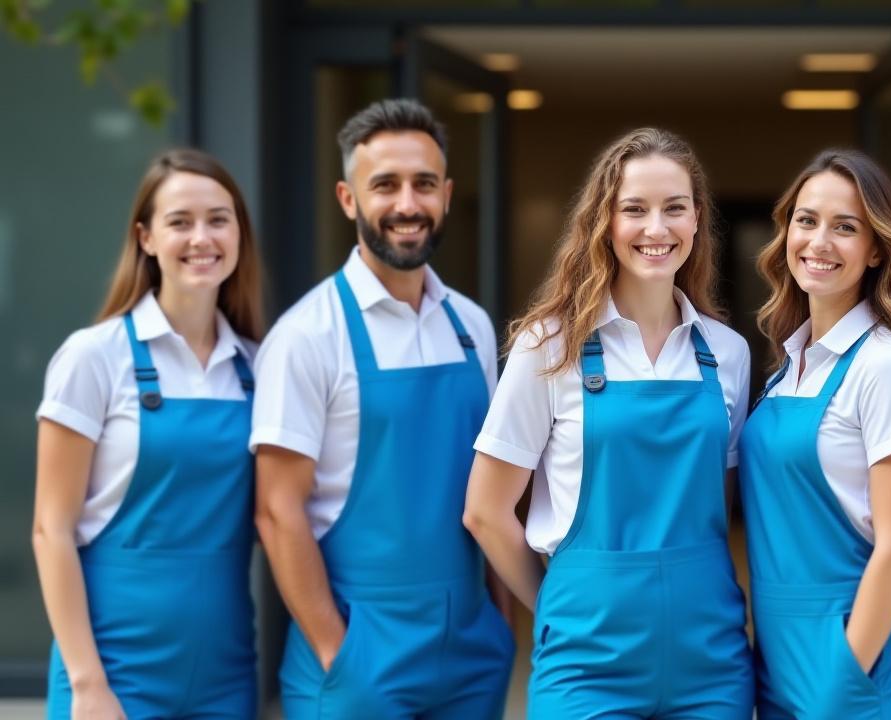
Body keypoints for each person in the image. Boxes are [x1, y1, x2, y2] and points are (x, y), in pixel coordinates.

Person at [464, 127, 754, 718]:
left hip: (711, 662)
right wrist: (558, 607)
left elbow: (714, 512)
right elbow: (485, 512)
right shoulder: (549, 348)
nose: (656, 228)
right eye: (635, 210)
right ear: (605, 222)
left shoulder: (727, 353)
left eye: (674, 208)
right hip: (585, 664)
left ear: (697, 220)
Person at [252, 98, 513, 719]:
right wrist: (334, 652)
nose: (406, 204)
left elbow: (497, 489)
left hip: (472, 656)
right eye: (385, 185)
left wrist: (501, 628)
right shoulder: (308, 335)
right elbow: (276, 509)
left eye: (424, 184)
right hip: (360, 656)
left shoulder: (471, 326)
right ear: (348, 199)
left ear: (446, 195)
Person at [34, 149, 265, 719]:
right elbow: (49, 529)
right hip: (114, 673)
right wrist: (88, 684)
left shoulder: (260, 366)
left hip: (225, 673)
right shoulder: (94, 357)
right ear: (145, 237)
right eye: (179, 221)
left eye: (218, 218)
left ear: (239, 232)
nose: (201, 238)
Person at [740, 149, 891, 719]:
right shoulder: (789, 367)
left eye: (845, 227)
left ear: (876, 249)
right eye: (807, 220)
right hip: (776, 665)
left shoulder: (885, 368)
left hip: (857, 674)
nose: (819, 241)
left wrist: (840, 685)